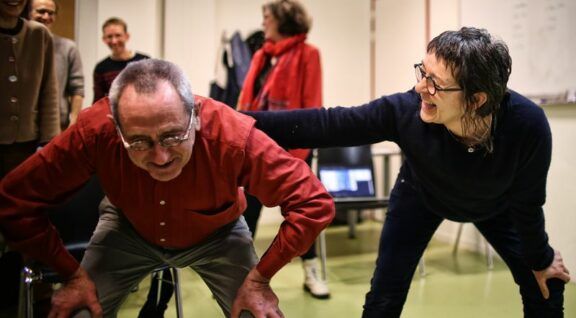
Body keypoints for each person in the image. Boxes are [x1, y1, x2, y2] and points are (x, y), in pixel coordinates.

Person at [245, 27, 572, 317]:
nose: (419, 88)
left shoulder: (527, 126)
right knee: (384, 299)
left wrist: (541, 258)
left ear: (476, 100)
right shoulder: (406, 111)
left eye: (435, 84)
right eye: (422, 72)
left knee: (546, 284)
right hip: (420, 196)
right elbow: (326, 124)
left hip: (494, 206)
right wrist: (230, 121)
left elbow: (528, 204)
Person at [0, 58, 334, 318]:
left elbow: (313, 201)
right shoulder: (93, 132)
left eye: (173, 136)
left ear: (196, 116)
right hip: (127, 228)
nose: (160, 157)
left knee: (257, 312)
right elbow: (14, 198)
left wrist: (261, 277)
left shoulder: (231, 136)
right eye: (139, 142)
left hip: (219, 234)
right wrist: (69, 272)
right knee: (78, 313)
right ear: (115, 127)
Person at [237, 0, 328, 299]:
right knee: (246, 214)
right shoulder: (262, 55)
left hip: (293, 150)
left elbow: (312, 105)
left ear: (283, 20)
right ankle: (241, 276)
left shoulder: (308, 54)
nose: (263, 22)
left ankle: (311, 271)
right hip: (255, 147)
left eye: (267, 17)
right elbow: (246, 101)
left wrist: (298, 154)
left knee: (300, 214)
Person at [0, 0, 59, 313]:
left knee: (31, 225)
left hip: (25, 150)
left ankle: (38, 299)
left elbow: (50, 91)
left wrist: (48, 144)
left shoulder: (39, 36)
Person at [29, 0, 85, 131]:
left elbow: (77, 89)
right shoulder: (18, 46)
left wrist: (74, 122)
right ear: (28, 13)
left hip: (57, 125)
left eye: (51, 13)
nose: (46, 17)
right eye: (41, 11)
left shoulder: (68, 47)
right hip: (24, 126)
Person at [92, 17, 149, 103]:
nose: (114, 41)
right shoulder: (101, 68)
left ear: (127, 36)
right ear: (104, 39)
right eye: (109, 36)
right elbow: (98, 102)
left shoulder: (144, 61)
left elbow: (153, 93)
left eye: (118, 35)